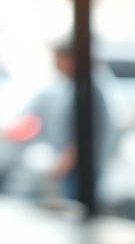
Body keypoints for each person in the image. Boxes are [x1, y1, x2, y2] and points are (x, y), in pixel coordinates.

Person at [33, 42, 113, 201]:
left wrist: (64, 163)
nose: (55, 65)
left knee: (77, 207)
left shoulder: (87, 88)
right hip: (74, 168)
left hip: (79, 169)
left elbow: (85, 132)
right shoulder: (76, 86)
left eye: (58, 59)